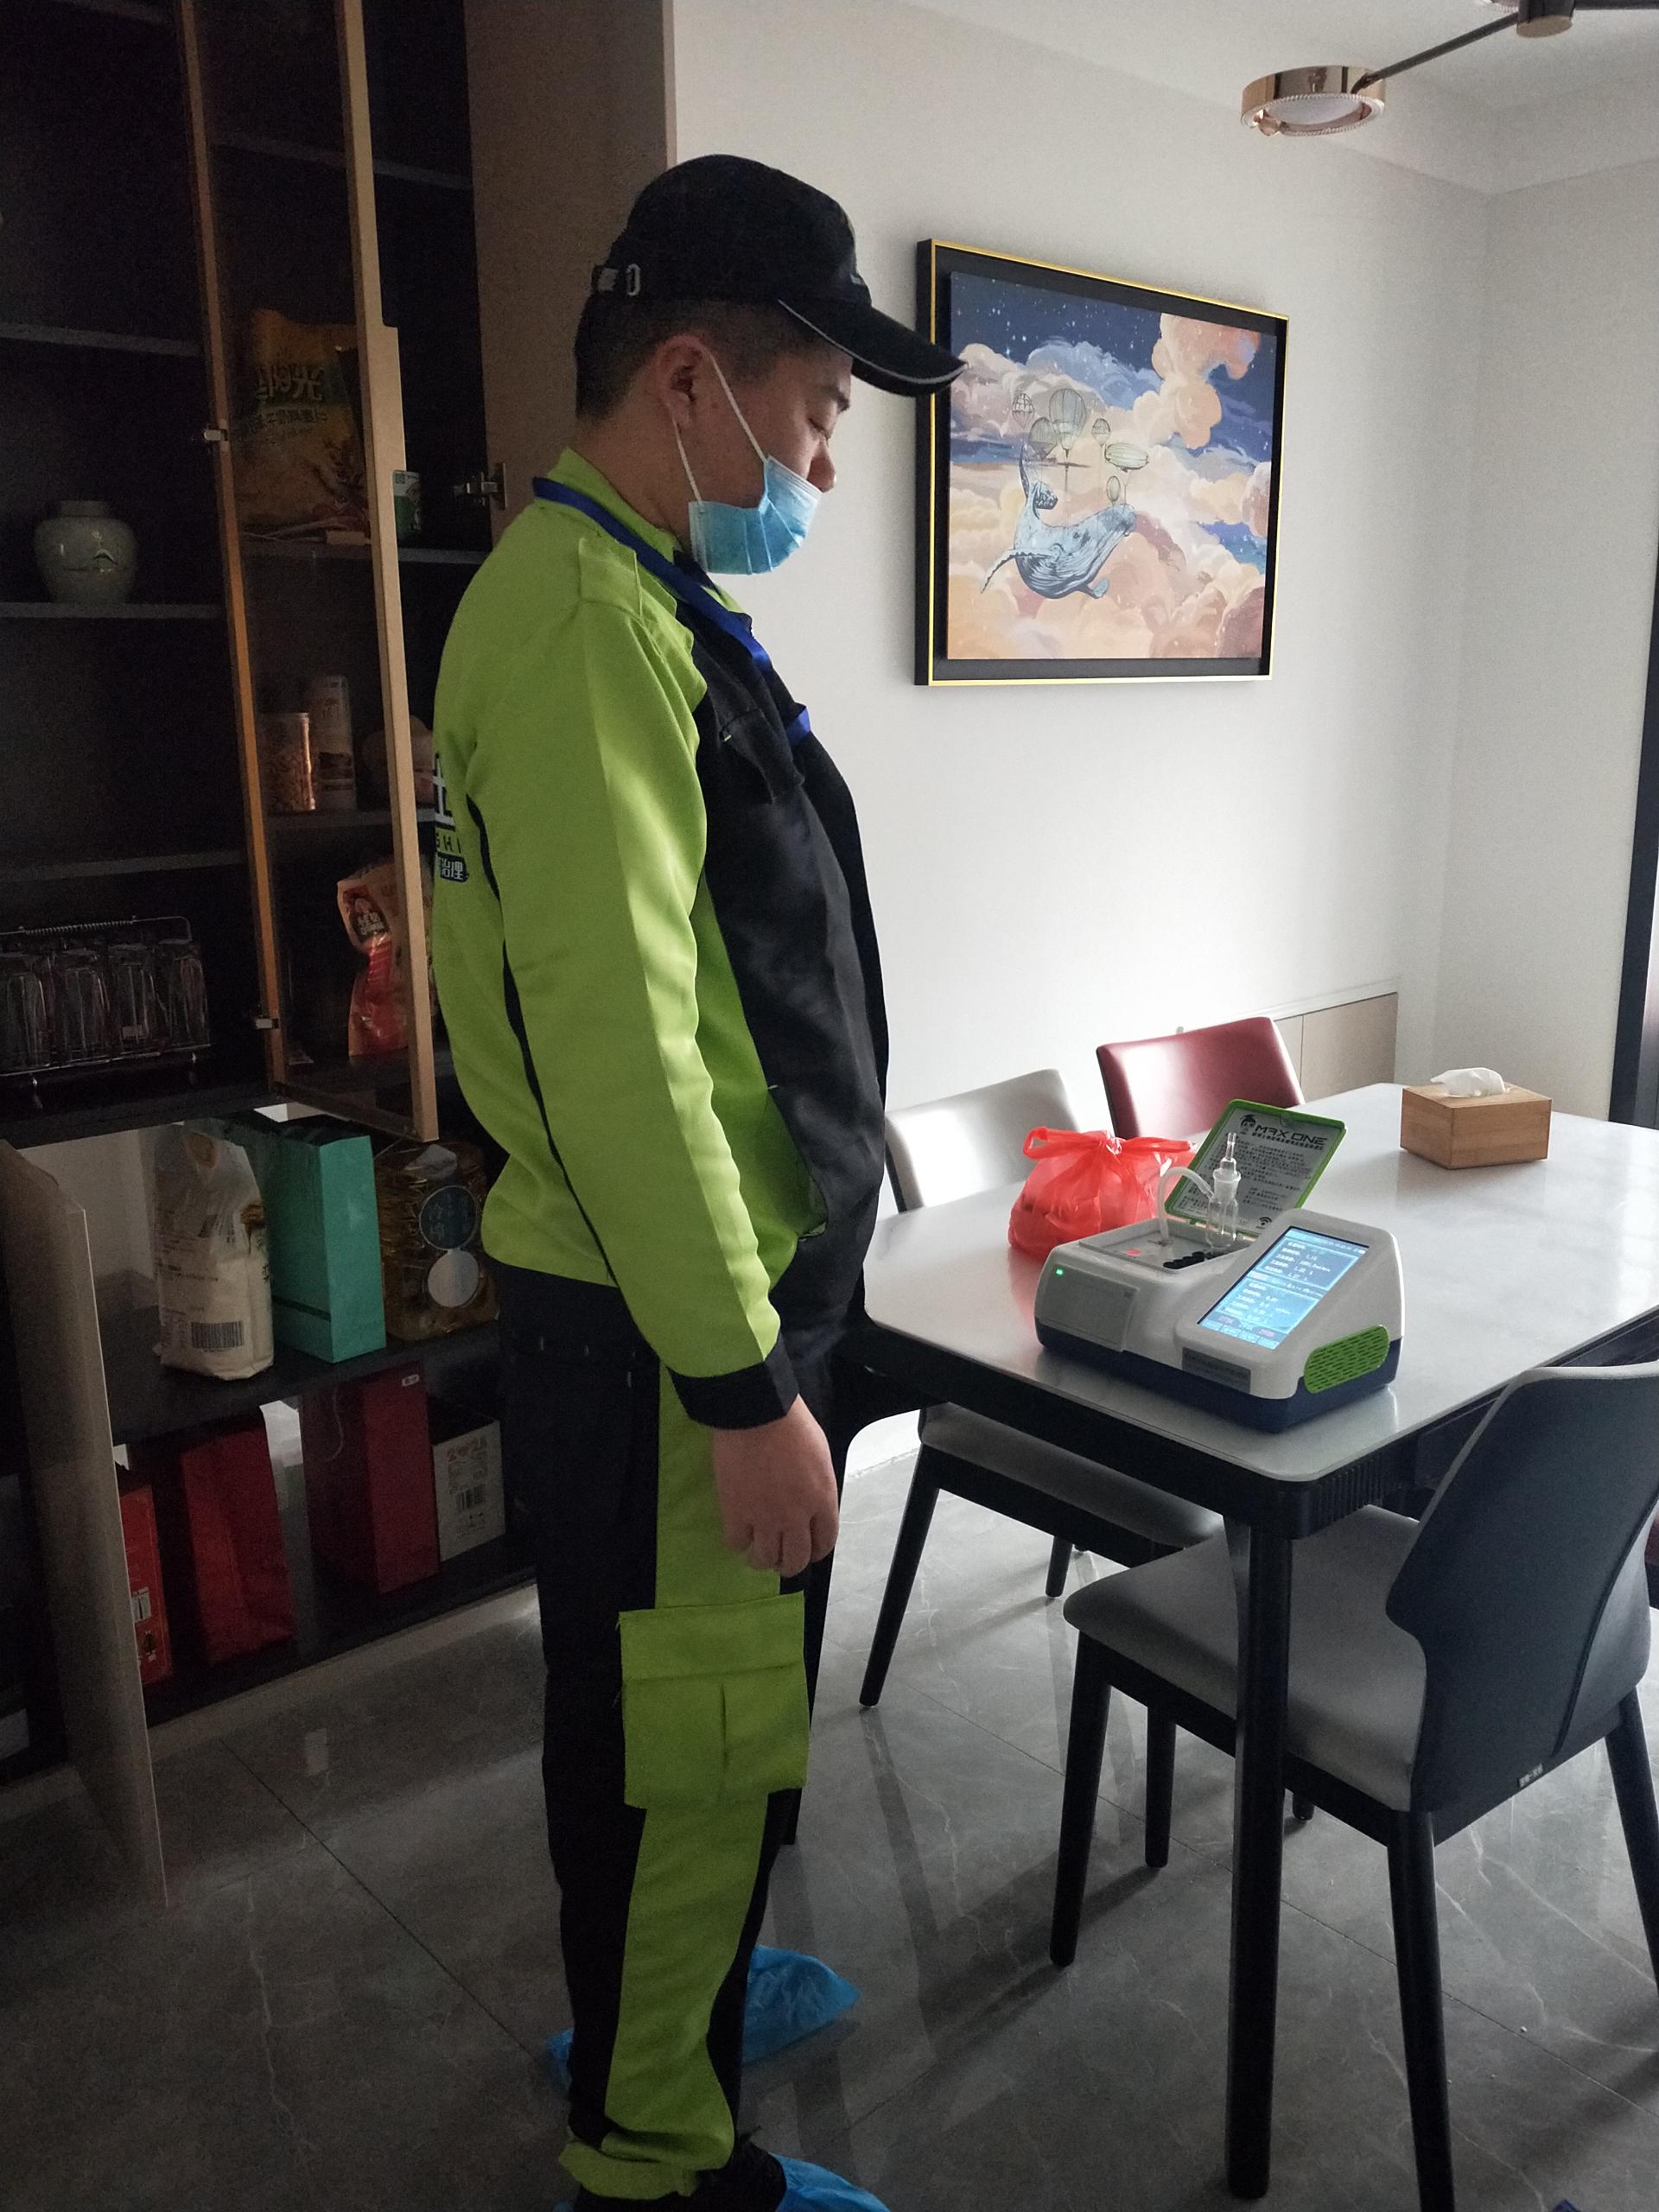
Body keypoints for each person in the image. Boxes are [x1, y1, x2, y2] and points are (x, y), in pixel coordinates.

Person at [430, 156, 962, 2212]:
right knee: (692, 1731)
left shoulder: (632, 594)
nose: (822, 459)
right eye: (818, 409)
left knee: (673, 1721)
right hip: (675, 1329)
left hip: (687, 1302)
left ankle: (676, 2001)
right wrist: (742, 1388)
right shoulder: (584, 626)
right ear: (688, 380)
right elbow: (629, 1055)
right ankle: (657, 2147)